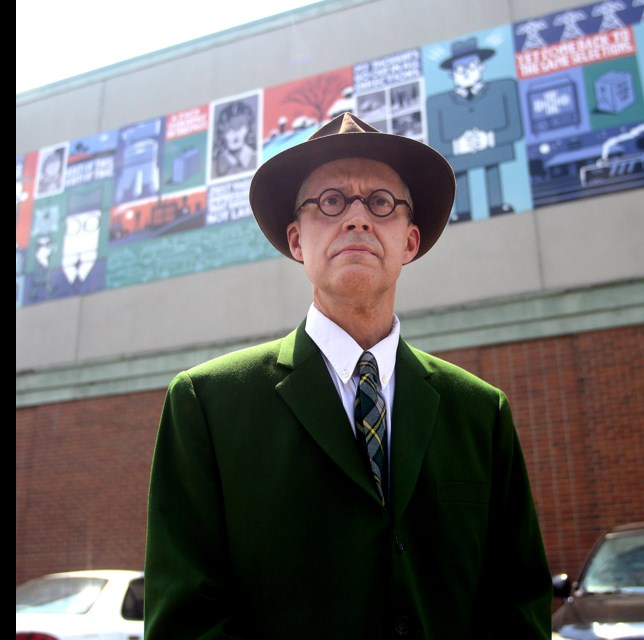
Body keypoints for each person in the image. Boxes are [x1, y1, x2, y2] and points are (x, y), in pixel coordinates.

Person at [144, 112, 552, 639]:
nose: (357, 219)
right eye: (331, 202)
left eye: (381, 203)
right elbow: (186, 621)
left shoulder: (480, 412)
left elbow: (518, 604)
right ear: (296, 240)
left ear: (409, 241)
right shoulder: (207, 404)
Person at [425, 38, 523, 222]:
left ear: (481, 67)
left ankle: (497, 204)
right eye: (460, 69)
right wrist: (457, 145)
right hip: (459, 156)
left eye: (471, 66)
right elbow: (435, 143)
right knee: (458, 174)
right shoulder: (437, 103)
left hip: (495, 150)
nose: (466, 72)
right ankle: (462, 211)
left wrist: (489, 139)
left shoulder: (504, 88)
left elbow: (515, 130)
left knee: (492, 169)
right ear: (452, 74)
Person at [212, 100, 258, 177]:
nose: (235, 134)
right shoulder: (215, 166)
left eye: (240, 127)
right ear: (222, 133)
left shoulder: (257, 158)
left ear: (248, 129)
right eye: (229, 129)